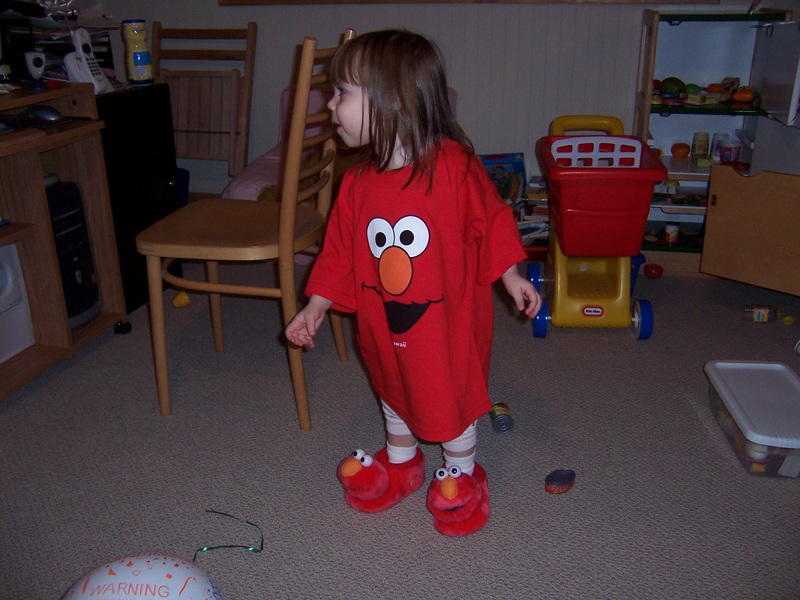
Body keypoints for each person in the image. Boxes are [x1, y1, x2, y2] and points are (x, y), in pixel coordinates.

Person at [285, 29, 541, 536]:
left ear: (394, 101)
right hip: (383, 320)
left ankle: (462, 473)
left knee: (446, 389)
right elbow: (338, 252)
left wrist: (511, 274)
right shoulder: (356, 184)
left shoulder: (454, 168)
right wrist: (316, 305)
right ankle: (402, 462)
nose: (330, 104)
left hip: (445, 325)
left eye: (343, 92)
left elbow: (490, 220)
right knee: (392, 382)